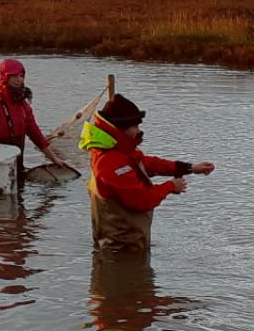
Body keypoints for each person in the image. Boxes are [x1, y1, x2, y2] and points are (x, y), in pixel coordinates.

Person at [77, 94, 213, 255]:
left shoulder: (117, 152)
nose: (139, 131)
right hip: (120, 250)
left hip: (126, 243)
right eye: (135, 126)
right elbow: (142, 200)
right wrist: (170, 186)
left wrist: (190, 168)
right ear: (119, 129)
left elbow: (148, 164)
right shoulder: (110, 161)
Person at [0, 58, 72, 172]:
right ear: (5, 77)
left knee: (19, 187)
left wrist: (54, 159)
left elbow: (35, 133)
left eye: (21, 76)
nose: (19, 80)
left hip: (17, 163)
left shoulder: (23, 105)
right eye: (14, 76)